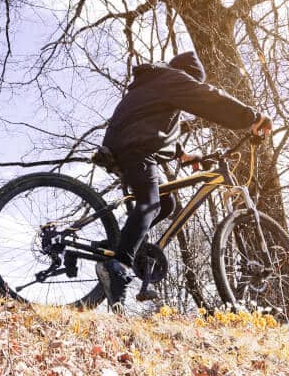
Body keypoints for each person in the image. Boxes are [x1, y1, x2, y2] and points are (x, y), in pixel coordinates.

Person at [96, 51, 270, 308]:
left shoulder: (154, 83)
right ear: (189, 74)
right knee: (151, 203)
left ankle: (122, 245)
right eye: (194, 81)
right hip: (135, 149)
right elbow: (209, 99)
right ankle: (119, 264)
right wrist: (252, 117)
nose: (193, 86)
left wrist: (182, 155)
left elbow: (150, 122)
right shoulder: (173, 78)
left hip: (126, 145)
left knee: (167, 204)